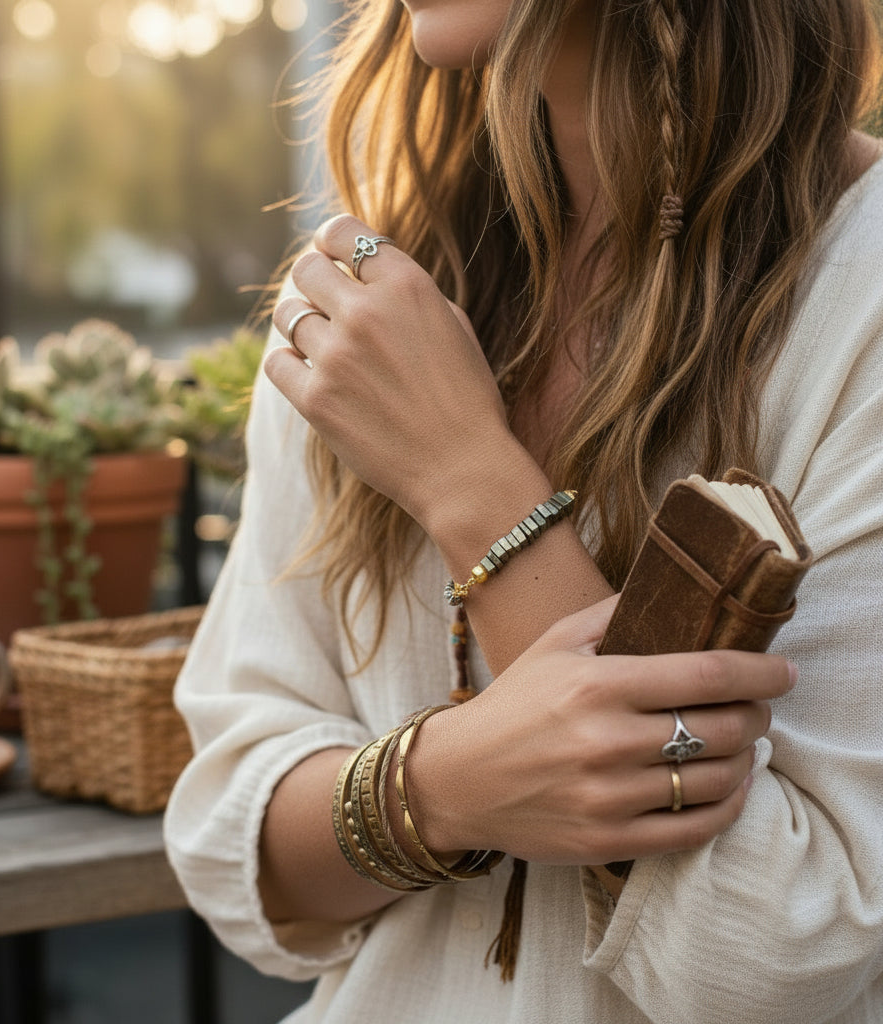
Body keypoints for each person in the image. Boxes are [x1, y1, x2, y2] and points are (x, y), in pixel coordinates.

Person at [165, 0, 883, 1020]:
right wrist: (444, 788)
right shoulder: (384, 304)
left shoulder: (861, 298)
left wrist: (467, 478)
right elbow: (230, 845)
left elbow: (769, 953)